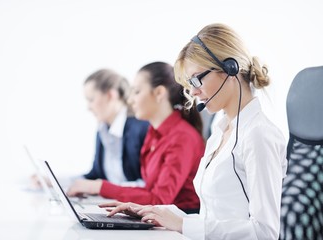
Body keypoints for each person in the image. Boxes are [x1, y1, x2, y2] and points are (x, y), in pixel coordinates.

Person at [100, 23, 287, 240]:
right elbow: (214, 218)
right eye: (190, 83)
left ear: (230, 68)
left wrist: (182, 224)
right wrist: (156, 212)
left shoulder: (258, 135)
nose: (194, 91)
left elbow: (265, 232)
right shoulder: (220, 133)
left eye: (197, 78)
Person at [67, 62, 205, 213]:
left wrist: (100, 187)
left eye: (137, 92)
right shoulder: (153, 134)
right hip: (156, 217)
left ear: (159, 93)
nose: (130, 100)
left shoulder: (182, 137)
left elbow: (159, 200)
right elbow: (149, 190)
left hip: (180, 224)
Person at [79, 69, 149, 185]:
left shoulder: (141, 128)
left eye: (91, 100)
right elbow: (95, 175)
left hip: (132, 202)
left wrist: (104, 188)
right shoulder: (102, 129)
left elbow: (148, 184)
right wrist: (57, 182)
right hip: (110, 200)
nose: (88, 107)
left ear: (111, 95)